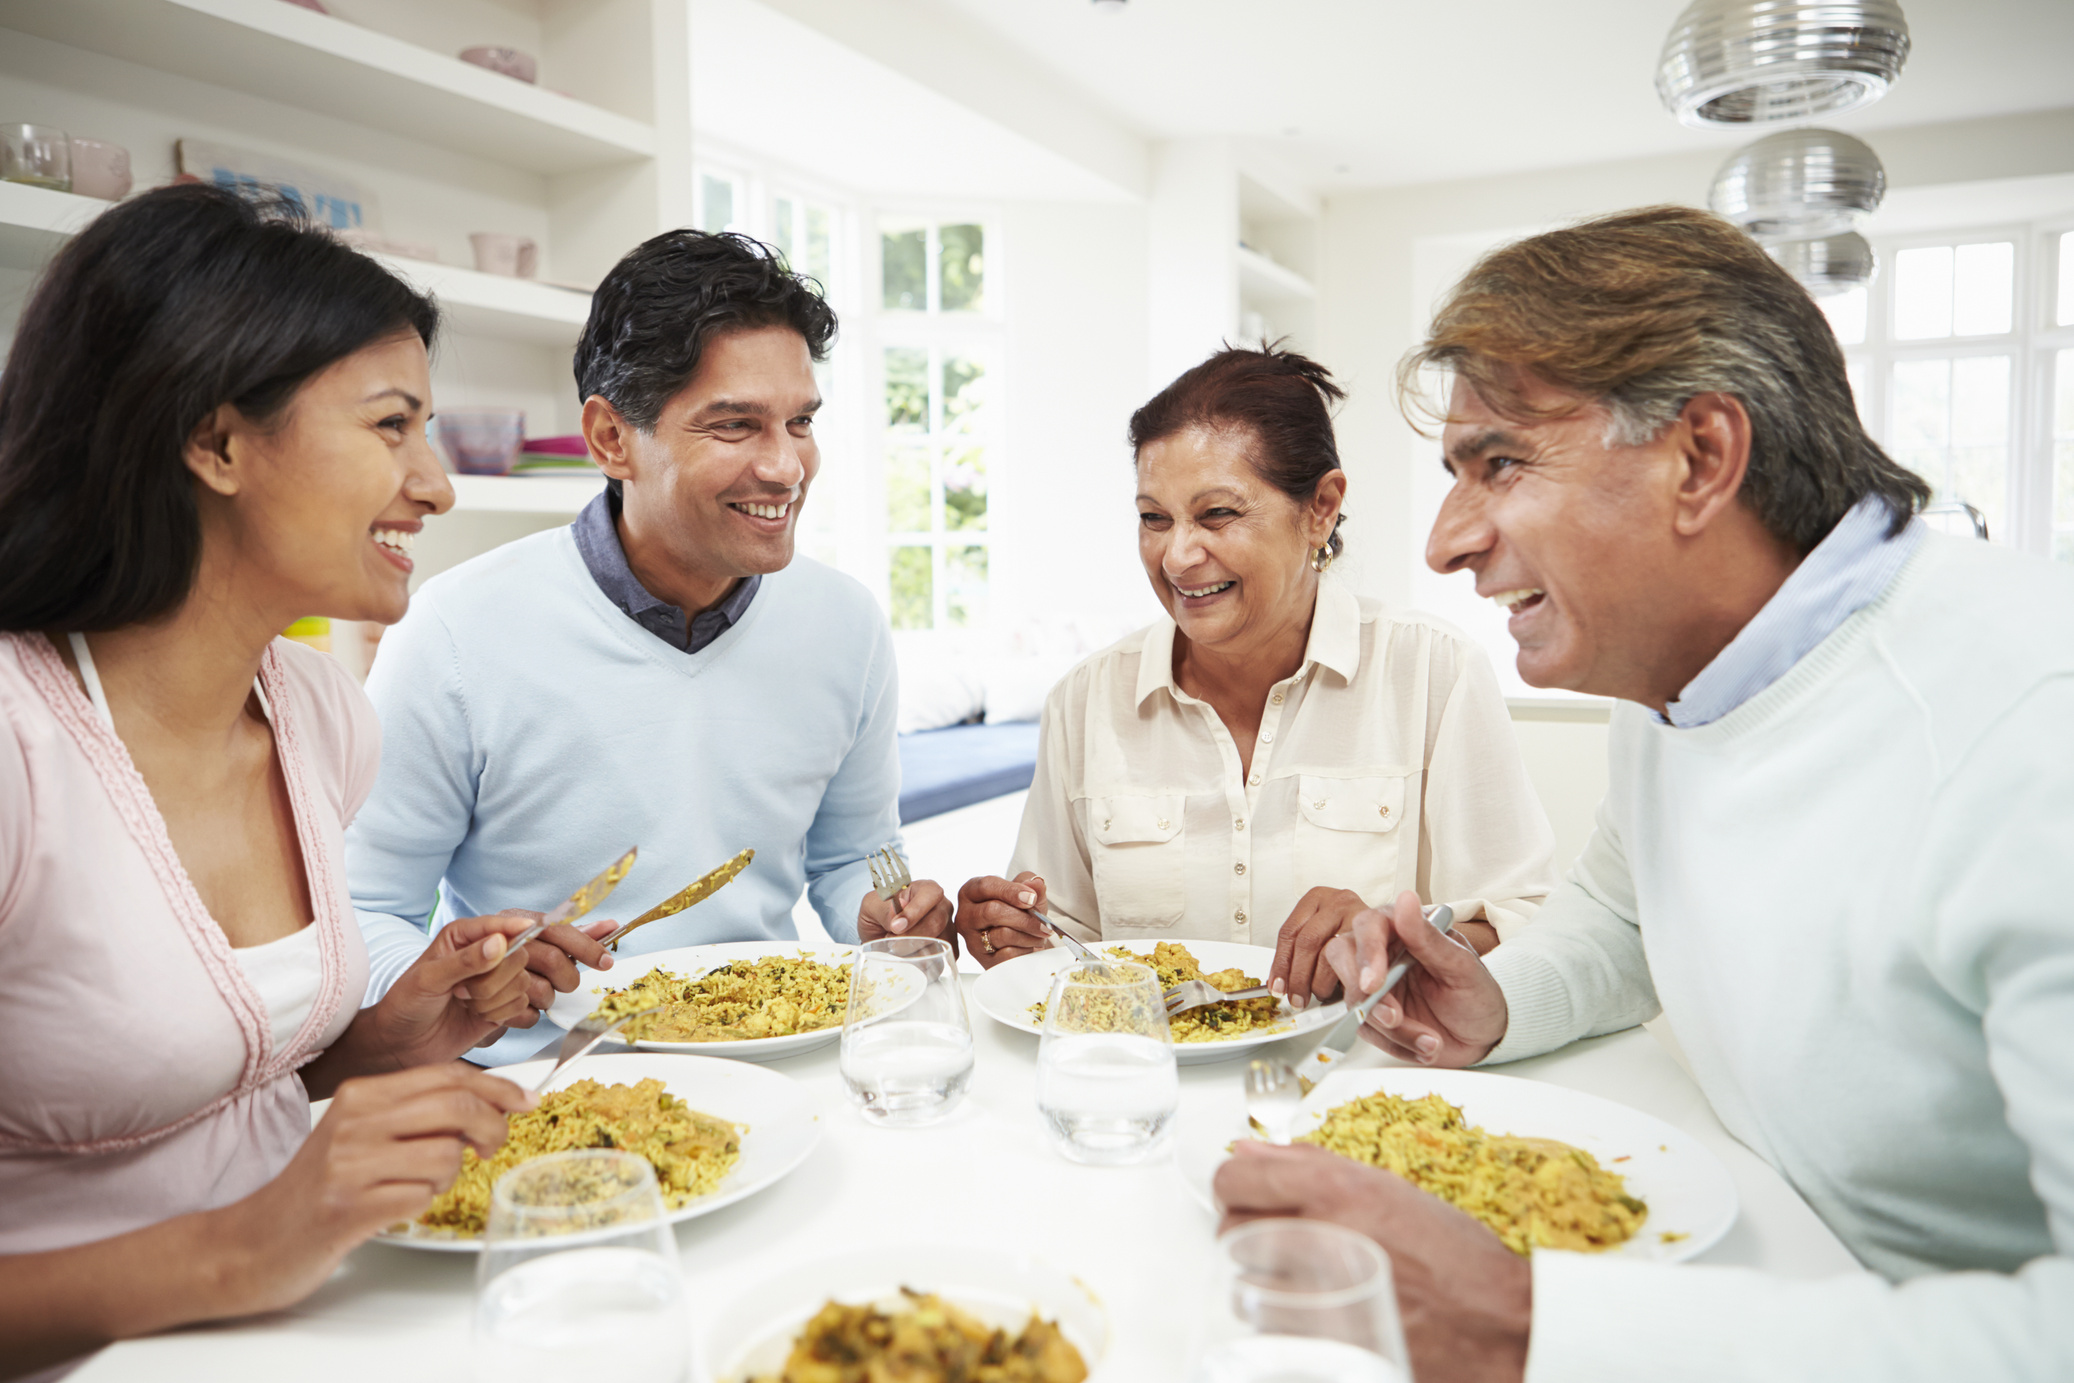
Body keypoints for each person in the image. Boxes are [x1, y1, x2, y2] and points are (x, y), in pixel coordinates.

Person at [1214, 207, 2074, 1381]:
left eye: (1499, 463)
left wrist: (1530, 1329)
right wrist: (1496, 1003)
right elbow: (1623, 921)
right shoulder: (1677, 678)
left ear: (1702, 458)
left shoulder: (2032, 726)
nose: (1443, 541)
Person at [0, 185, 551, 1379]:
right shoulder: (15, 751)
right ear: (215, 442)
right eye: (393, 426)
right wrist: (238, 1250)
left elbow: (203, 1077)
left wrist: (383, 1043)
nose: (439, 484)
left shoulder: (317, 716)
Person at [349, 229, 954, 1063]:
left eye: (800, 421)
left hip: (779, 1061)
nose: (786, 467)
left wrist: (883, 914)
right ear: (610, 439)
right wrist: (468, 977)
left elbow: (853, 854)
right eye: (736, 425)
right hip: (539, 1085)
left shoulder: (845, 625)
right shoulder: (454, 633)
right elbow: (367, 911)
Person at [955, 346, 1556, 1004]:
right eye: (1154, 518)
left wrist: (1392, 937)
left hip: (1352, 1084)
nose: (1178, 555)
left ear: (1320, 507)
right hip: (1147, 1090)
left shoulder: (1433, 671)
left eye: (1217, 514)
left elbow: (1523, 922)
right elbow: (1064, 939)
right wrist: (1011, 932)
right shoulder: (1086, 700)